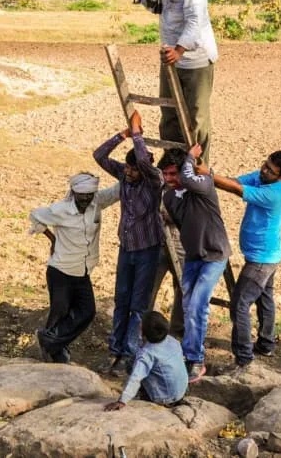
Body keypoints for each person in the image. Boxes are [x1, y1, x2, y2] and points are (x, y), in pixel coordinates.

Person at [200, 151, 281, 369]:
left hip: (261, 260)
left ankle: (244, 357)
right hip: (268, 255)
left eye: (271, 171)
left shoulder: (272, 194)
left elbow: (236, 189)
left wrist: (208, 175)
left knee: (240, 303)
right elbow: (235, 182)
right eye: (265, 165)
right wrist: (211, 178)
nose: (264, 170)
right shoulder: (261, 178)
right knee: (265, 298)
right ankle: (266, 343)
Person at [93, 111, 164, 375]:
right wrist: (123, 135)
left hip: (147, 250)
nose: (131, 172)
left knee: (138, 305)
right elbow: (99, 156)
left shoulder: (153, 181)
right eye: (129, 167)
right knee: (121, 300)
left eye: (135, 168)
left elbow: (145, 163)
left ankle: (130, 352)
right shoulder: (124, 175)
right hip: (127, 248)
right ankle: (115, 349)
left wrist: (137, 135)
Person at [139, 0, 218, 165]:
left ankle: (199, 168)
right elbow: (159, 9)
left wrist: (180, 50)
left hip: (196, 58)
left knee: (196, 117)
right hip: (171, 57)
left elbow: (195, 19)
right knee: (169, 115)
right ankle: (173, 166)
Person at [30, 172, 119, 363]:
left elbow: (116, 191)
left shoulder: (97, 202)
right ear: (74, 192)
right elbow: (35, 215)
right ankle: (55, 350)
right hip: (61, 270)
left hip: (83, 270)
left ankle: (50, 341)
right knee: (60, 311)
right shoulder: (60, 210)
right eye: (82, 194)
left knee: (87, 311)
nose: (86, 198)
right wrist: (52, 239)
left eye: (89, 194)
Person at [159, 145, 230, 383]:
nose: (169, 179)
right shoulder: (169, 197)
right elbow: (180, 223)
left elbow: (190, 179)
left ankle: (196, 359)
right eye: (165, 174)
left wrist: (190, 156)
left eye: (173, 173)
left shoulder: (203, 185)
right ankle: (190, 352)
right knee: (189, 304)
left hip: (213, 255)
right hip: (193, 257)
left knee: (198, 305)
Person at [104, 311, 188, 411]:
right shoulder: (173, 340)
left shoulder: (147, 354)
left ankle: (144, 395)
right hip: (181, 391)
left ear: (144, 332)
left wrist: (122, 401)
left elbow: (136, 378)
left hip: (164, 397)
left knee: (132, 365)